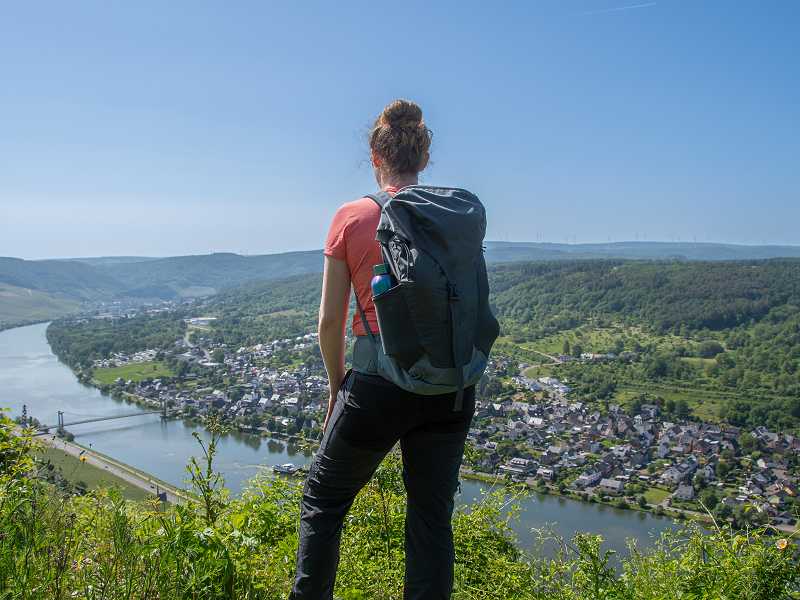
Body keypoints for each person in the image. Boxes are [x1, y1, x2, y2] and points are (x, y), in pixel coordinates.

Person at [290, 99, 478, 599]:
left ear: (376, 156)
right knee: (431, 519)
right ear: (424, 159)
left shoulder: (352, 217)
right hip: (451, 384)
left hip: (378, 387)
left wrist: (337, 389)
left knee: (324, 501)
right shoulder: (452, 213)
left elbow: (330, 322)